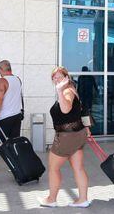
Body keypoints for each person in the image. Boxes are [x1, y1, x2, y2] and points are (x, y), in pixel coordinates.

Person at [38, 67, 91, 208]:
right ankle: (83, 199)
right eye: (54, 77)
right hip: (77, 135)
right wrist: (86, 128)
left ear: (66, 77)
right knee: (78, 168)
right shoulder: (72, 89)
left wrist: (60, 91)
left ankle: (51, 199)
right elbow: (78, 111)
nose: (56, 79)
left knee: (53, 168)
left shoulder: (67, 91)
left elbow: (66, 109)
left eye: (59, 76)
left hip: (67, 137)